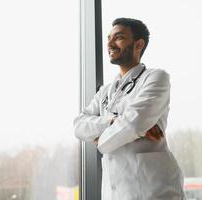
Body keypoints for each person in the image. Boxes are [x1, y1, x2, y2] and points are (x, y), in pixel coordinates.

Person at [73, 18, 186, 199]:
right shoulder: (106, 91)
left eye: (118, 37)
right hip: (115, 191)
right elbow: (78, 125)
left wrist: (100, 139)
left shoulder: (156, 78)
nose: (109, 43)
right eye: (109, 38)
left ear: (138, 44)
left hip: (154, 190)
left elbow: (135, 123)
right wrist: (114, 121)